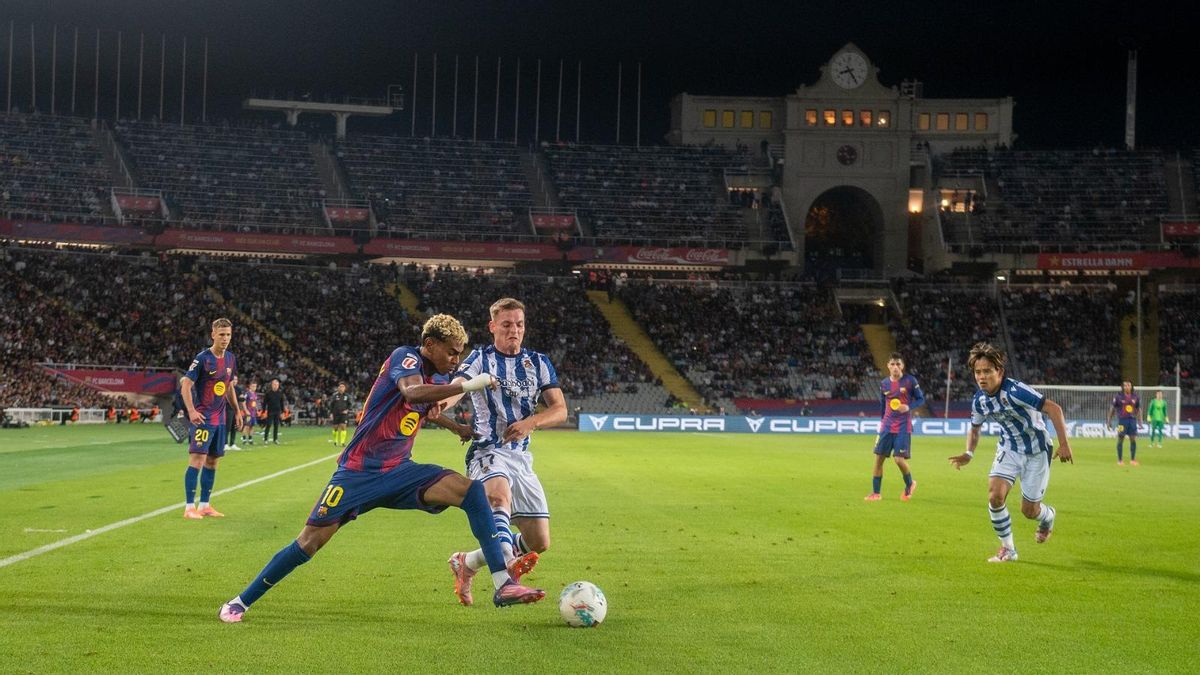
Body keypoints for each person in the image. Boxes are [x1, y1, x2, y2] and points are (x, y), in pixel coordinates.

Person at [217, 314, 545, 623]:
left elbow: (425, 409)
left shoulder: (439, 376)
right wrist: (467, 386)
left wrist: (454, 427)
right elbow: (411, 393)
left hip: (400, 470)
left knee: (471, 491)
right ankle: (240, 602)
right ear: (430, 344)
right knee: (309, 542)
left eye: (459, 354)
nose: (455, 360)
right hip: (359, 472)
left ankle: (502, 583)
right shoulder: (406, 357)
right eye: (451, 352)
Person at [442, 298, 569, 607]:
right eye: (507, 324)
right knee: (499, 497)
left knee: (539, 541)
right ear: (493, 326)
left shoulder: (538, 362)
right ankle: (507, 567)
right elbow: (458, 387)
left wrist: (531, 422)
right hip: (487, 450)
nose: (515, 330)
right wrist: (438, 403)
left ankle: (467, 562)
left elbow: (560, 409)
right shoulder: (480, 358)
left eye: (519, 324)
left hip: (521, 458)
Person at [948, 342, 1073, 563]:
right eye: (978, 372)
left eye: (987, 371)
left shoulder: (1016, 391)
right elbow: (975, 428)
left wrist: (1064, 444)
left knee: (1029, 511)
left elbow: (1054, 409)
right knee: (995, 496)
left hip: (1037, 451)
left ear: (999, 371)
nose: (982, 377)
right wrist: (969, 453)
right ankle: (1008, 549)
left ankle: (1048, 516)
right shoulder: (980, 400)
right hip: (1009, 448)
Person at [180, 318, 243, 520]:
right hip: (203, 418)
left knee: (213, 461)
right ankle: (189, 507)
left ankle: (205, 505)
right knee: (197, 460)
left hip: (220, 419)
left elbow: (229, 387)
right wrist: (191, 411)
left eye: (228, 335)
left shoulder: (230, 359)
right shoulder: (202, 359)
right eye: (221, 334)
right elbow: (186, 385)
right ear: (213, 335)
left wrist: (238, 411)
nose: (225, 338)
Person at [865, 353, 925, 502]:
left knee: (898, 460)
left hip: (903, 427)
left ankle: (910, 483)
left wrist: (908, 406)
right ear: (888, 366)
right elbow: (883, 405)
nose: (895, 367)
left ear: (902, 366)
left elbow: (920, 399)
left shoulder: (910, 381)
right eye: (892, 364)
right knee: (878, 460)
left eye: (898, 364)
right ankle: (876, 493)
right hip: (886, 426)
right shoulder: (884, 383)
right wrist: (882, 424)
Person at [1106, 381, 1141, 466]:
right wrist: (1109, 421)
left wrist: (1140, 421)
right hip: (1122, 421)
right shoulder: (1118, 397)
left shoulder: (1135, 397)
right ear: (1123, 387)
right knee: (1120, 438)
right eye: (1125, 385)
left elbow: (1138, 409)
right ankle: (1120, 460)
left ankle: (1132, 460)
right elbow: (1112, 409)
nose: (1127, 387)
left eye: (1128, 385)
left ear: (1131, 387)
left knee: (1133, 439)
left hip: (1132, 421)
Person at [261, 378, 287, 444]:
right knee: (268, 425)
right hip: (270, 411)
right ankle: (265, 439)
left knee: (276, 425)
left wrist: (282, 412)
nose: (276, 386)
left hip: (277, 411)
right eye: (274, 384)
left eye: (277, 385)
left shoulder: (280, 393)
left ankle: (275, 439)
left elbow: (282, 403)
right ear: (272, 385)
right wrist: (263, 411)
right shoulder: (268, 393)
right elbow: (264, 403)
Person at [328, 382, 353, 447]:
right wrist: (331, 413)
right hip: (336, 413)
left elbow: (350, 404)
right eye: (340, 387)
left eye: (343, 387)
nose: (341, 388)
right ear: (338, 388)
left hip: (344, 414)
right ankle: (335, 441)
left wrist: (347, 410)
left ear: (345, 388)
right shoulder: (335, 395)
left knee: (343, 427)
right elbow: (331, 405)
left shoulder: (347, 396)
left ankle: (342, 442)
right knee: (335, 428)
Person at [223, 375, 241, 452]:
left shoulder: (238, 389)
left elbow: (241, 399)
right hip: (228, 409)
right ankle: (225, 443)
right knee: (227, 427)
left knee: (234, 426)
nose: (235, 381)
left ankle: (232, 443)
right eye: (233, 379)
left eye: (236, 379)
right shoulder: (227, 388)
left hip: (235, 410)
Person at [240, 381, 259, 446]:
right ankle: (244, 439)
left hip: (253, 413)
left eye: (255, 386)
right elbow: (243, 402)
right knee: (246, 426)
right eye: (253, 386)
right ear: (250, 386)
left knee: (252, 426)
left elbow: (254, 402)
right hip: (248, 413)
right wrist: (245, 410)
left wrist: (257, 409)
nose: (254, 387)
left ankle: (250, 439)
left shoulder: (255, 394)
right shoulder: (247, 394)